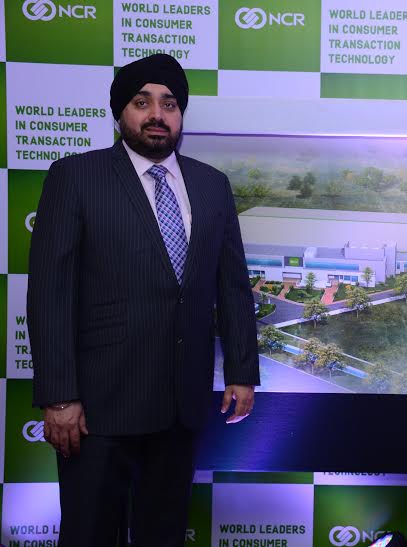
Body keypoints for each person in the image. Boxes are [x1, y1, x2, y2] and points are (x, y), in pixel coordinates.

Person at [27, 54, 260, 546]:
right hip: (97, 409)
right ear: (121, 112)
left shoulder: (212, 185)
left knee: (163, 535)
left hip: (179, 404)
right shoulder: (76, 177)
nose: (157, 114)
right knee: (89, 535)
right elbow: (51, 292)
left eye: (170, 104)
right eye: (142, 102)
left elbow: (233, 287)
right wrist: (59, 397)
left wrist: (241, 371)